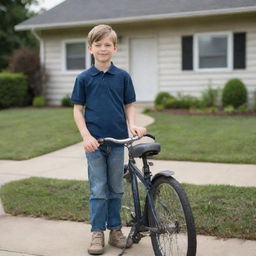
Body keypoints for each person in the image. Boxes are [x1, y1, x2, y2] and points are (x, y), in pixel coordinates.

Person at [71, 24, 146, 255]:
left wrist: (131, 124)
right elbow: (77, 110)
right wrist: (86, 136)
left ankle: (115, 230)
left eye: (107, 45)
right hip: (94, 144)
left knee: (115, 188)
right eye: (98, 45)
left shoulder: (122, 76)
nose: (103, 49)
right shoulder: (84, 78)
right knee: (98, 190)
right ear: (90, 48)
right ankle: (97, 232)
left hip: (117, 143)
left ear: (115, 48)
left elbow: (128, 105)